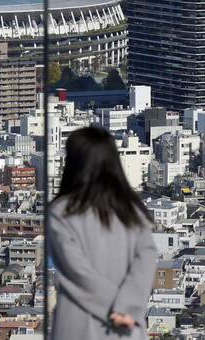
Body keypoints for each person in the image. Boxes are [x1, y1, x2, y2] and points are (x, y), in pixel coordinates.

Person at [48, 127, 157, 340]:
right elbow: (146, 259)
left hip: (77, 321)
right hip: (125, 326)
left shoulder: (62, 211)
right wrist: (126, 308)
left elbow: (75, 269)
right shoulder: (132, 209)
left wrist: (114, 307)